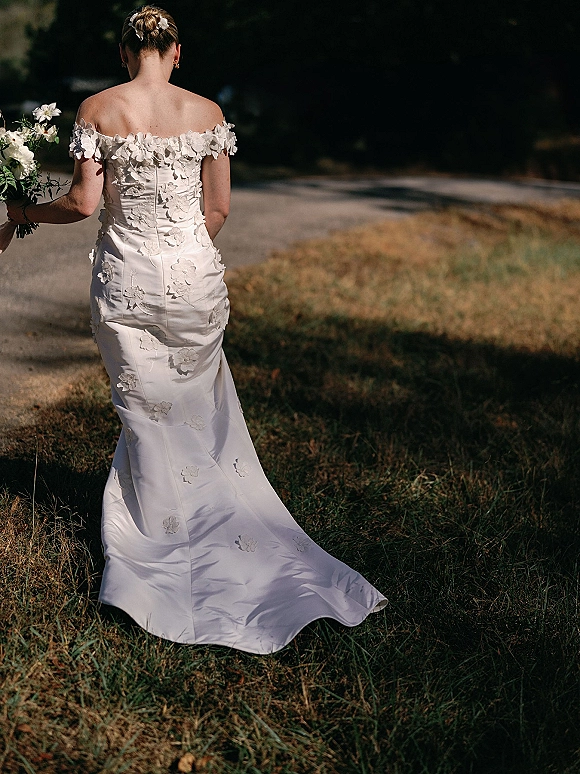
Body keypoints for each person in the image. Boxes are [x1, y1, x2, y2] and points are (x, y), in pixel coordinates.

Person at [6, 5, 386, 653]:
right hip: (195, 280)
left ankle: (160, 548)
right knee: (188, 410)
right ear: (176, 52)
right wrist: (183, 251)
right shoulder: (208, 113)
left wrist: (16, 208)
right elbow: (219, 208)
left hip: (126, 280)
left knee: (145, 415)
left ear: (125, 53)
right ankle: (204, 532)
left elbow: (82, 204)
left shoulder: (98, 109)